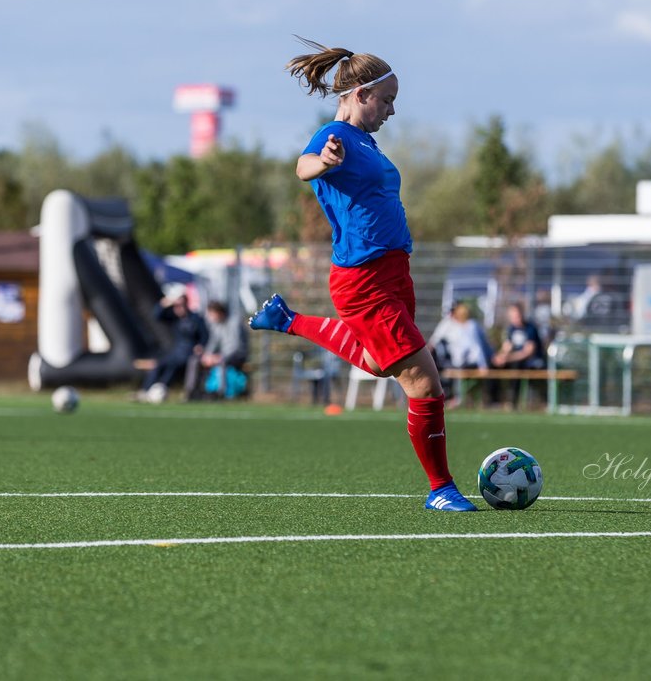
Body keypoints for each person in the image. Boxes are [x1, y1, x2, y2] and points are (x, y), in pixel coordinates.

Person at [248, 37, 478, 511]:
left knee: (377, 364)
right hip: (365, 280)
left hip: (395, 272)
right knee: (425, 384)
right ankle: (441, 489)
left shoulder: (367, 143)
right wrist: (324, 163)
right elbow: (303, 165)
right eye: (387, 100)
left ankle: (287, 320)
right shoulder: (333, 138)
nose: (392, 111)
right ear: (358, 95)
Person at [139, 287, 209, 404]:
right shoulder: (175, 318)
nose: (178, 308)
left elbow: (205, 335)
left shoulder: (195, 318)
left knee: (172, 366)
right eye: (176, 306)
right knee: (158, 365)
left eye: (180, 305)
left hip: (189, 353)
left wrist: (200, 345)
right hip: (176, 351)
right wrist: (166, 302)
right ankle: (146, 390)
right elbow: (157, 315)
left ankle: (162, 387)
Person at [489, 302, 546, 406]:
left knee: (516, 366)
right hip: (515, 359)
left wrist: (509, 358)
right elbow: (507, 347)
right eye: (513, 316)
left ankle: (513, 402)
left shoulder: (530, 328)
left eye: (517, 316)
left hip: (531, 361)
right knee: (494, 365)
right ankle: (494, 401)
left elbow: (528, 352)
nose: (516, 319)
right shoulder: (511, 329)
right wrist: (500, 357)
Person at [196, 300, 249, 399]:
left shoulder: (234, 322)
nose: (210, 317)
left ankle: (221, 393)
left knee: (222, 361)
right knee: (194, 361)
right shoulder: (216, 325)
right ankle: (194, 392)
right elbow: (213, 343)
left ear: (219, 313)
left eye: (212, 314)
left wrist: (219, 357)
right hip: (223, 354)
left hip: (237, 354)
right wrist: (207, 356)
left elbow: (236, 346)